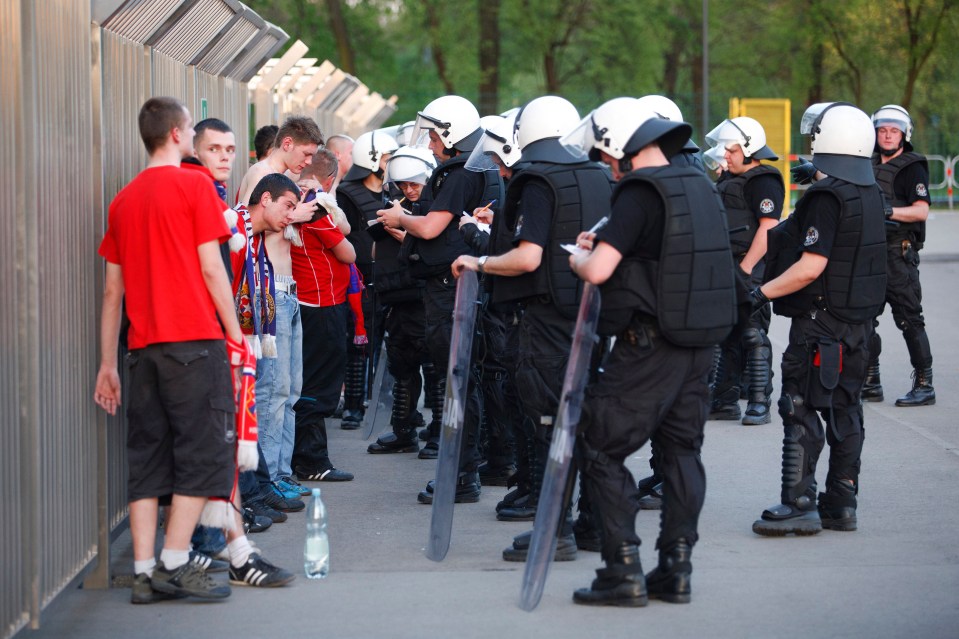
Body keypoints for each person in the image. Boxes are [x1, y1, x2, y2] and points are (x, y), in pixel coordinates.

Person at [565, 98, 737, 606]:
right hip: (699, 344)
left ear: (620, 146)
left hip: (651, 345)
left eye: (604, 151)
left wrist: (580, 258)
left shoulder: (639, 191)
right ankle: (675, 569)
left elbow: (597, 272)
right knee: (681, 453)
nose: (603, 161)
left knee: (599, 445)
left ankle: (623, 571)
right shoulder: (698, 185)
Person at [94, 97, 244, 603]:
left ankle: (142, 571)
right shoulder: (194, 186)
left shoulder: (123, 200)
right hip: (196, 344)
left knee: (149, 461)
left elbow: (113, 292)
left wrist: (107, 365)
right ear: (180, 135)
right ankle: (175, 563)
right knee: (206, 456)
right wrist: (235, 330)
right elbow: (211, 267)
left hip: (142, 350)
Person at [454, 96, 611, 563]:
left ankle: (553, 530)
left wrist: (478, 260)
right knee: (586, 421)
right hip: (593, 313)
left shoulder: (537, 179)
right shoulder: (599, 174)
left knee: (547, 424)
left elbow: (528, 257)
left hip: (544, 321)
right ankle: (592, 525)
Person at [752, 102, 886, 537]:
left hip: (820, 323)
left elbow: (811, 266)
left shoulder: (827, 197)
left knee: (800, 405)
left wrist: (760, 292)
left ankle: (800, 502)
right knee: (846, 410)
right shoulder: (871, 191)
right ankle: (841, 502)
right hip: (858, 324)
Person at [377, 94, 502, 502]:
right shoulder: (476, 167)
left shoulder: (460, 172)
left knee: (458, 384)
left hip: (450, 294)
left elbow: (431, 228)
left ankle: (461, 474)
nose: (430, 144)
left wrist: (400, 219)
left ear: (451, 134)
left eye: (434, 135)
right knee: (464, 382)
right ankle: (467, 468)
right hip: (457, 288)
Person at [220, 172, 307, 588]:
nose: (291, 217)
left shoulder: (253, 236)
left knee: (248, 420)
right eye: (289, 206)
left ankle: (246, 501)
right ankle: (231, 521)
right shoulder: (234, 229)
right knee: (234, 428)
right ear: (266, 199)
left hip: (243, 343)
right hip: (224, 346)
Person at [703, 116, 784, 425]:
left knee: (753, 333)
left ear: (749, 148)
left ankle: (760, 402)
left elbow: (768, 229)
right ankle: (723, 401)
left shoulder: (764, 180)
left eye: (732, 151)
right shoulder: (728, 179)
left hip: (750, 268)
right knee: (726, 335)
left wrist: (746, 268)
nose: (726, 156)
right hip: (724, 267)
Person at [290, 154, 358, 483]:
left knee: (310, 381)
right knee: (319, 385)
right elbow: (348, 251)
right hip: (320, 303)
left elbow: (344, 227)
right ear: (330, 179)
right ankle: (310, 460)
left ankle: (306, 457)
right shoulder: (314, 207)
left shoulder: (297, 200)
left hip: (307, 300)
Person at [366, 146, 437, 454]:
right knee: (402, 364)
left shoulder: (436, 208)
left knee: (434, 367)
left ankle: (437, 433)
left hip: (428, 299)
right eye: (403, 184)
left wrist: (408, 234)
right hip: (398, 297)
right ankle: (403, 428)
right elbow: (373, 254)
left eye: (414, 184)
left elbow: (441, 250)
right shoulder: (398, 205)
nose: (409, 190)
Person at [863, 104, 935, 406]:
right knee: (863, 319)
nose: (888, 135)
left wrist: (890, 210)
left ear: (904, 133)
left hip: (898, 252)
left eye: (894, 130)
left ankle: (924, 384)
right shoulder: (867, 164)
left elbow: (922, 210)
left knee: (909, 320)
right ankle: (870, 381)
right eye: (882, 130)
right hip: (869, 253)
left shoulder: (911, 166)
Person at [336, 130, 398, 429]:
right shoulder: (347, 193)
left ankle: (385, 405)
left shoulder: (396, 192)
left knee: (391, 343)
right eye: (387, 158)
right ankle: (353, 406)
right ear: (373, 159)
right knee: (357, 342)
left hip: (390, 275)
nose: (391, 163)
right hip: (358, 278)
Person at [236, 115, 323, 206]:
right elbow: (246, 217)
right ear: (287, 144)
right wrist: (295, 215)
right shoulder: (262, 173)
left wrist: (317, 192)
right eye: (306, 154)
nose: (309, 162)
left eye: (312, 156)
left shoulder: (288, 175)